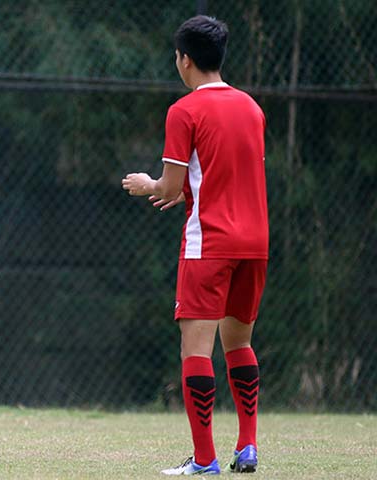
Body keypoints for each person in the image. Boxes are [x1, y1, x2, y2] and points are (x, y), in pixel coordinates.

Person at [122, 15, 267, 476]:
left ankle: (205, 460)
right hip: (256, 242)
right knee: (239, 343)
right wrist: (185, 191)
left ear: (184, 59)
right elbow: (226, 176)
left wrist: (148, 185)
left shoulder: (184, 111)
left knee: (196, 351)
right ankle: (247, 446)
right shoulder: (251, 107)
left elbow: (169, 185)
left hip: (210, 241)